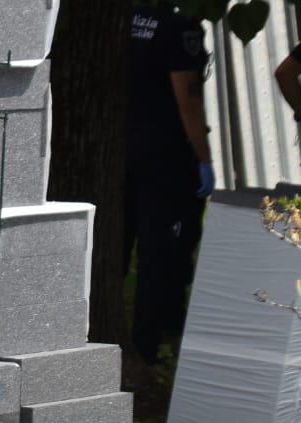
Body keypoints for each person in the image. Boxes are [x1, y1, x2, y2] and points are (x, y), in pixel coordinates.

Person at [126, 3, 215, 369]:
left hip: (125, 149)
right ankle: (148, 346)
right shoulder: (180, 25)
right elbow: (188, 101)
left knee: (121, 249)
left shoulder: (126, 16)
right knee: (161, 256)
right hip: (167, 158)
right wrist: (204, 159)